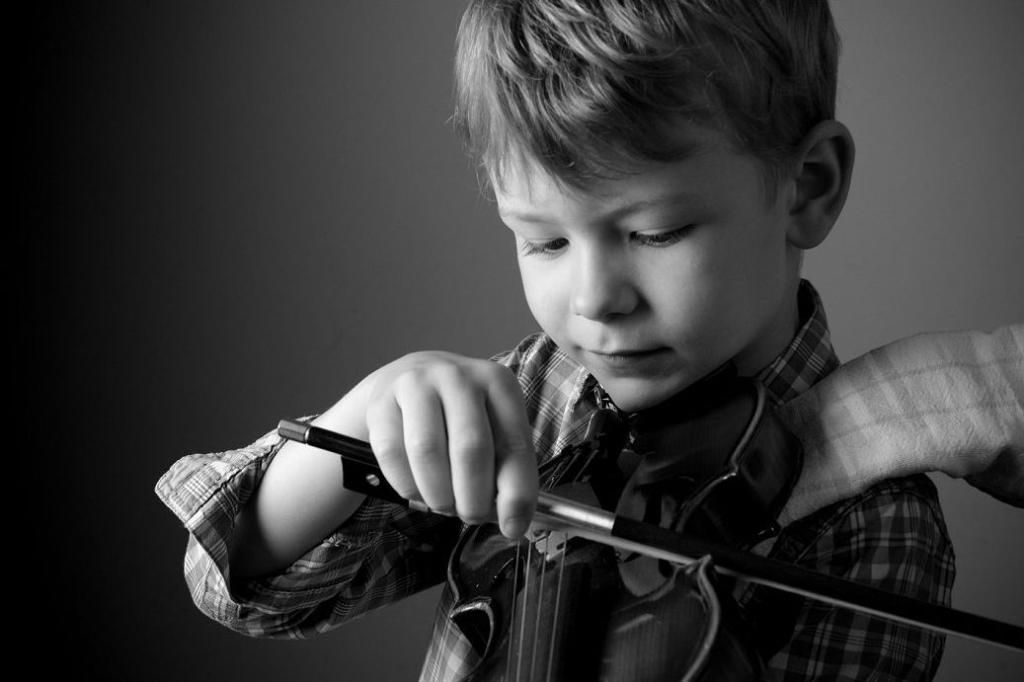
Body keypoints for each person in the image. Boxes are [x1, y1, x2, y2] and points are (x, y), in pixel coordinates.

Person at [155, 1, 1020, 678]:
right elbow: (240, 586)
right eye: (545, 242)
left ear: (809, 188)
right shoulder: (532, 402)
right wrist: (365, 422)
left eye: (655, 233)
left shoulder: (872, 523)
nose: (595, 300)